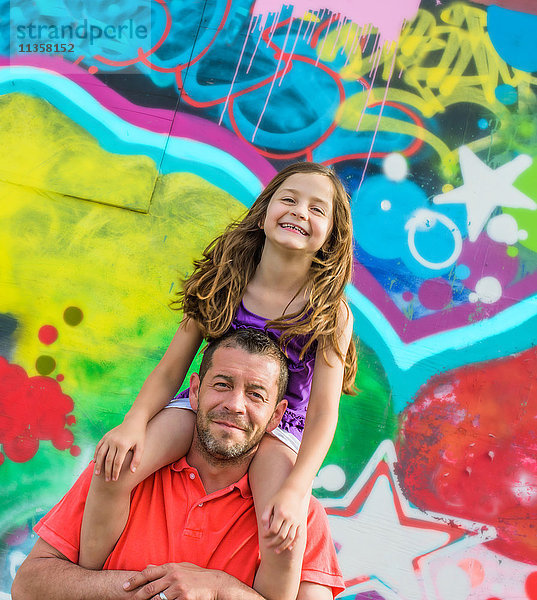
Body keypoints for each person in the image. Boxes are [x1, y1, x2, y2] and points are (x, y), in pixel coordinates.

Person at [80, 162, 356, 600]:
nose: (300, 211)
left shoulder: (329, 311)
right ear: (265, 210)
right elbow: (172, 369)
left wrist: (296, 488)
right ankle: (88, 584)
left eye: (317, 209)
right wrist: (133, 422)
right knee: (117, 470)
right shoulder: (225, 278)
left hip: (279, 429)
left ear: (331, 236)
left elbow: (324, 414)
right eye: (289, 199)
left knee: (282, 528)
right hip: (203, 406)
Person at [12, 329, 345, 600]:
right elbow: (27, 585)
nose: (235, 405)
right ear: (195, 392)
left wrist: (220, 589)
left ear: (276, 416)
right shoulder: (122, 469)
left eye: (255, 394)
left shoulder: (297, 514)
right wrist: (147, 589)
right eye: (223, 385)